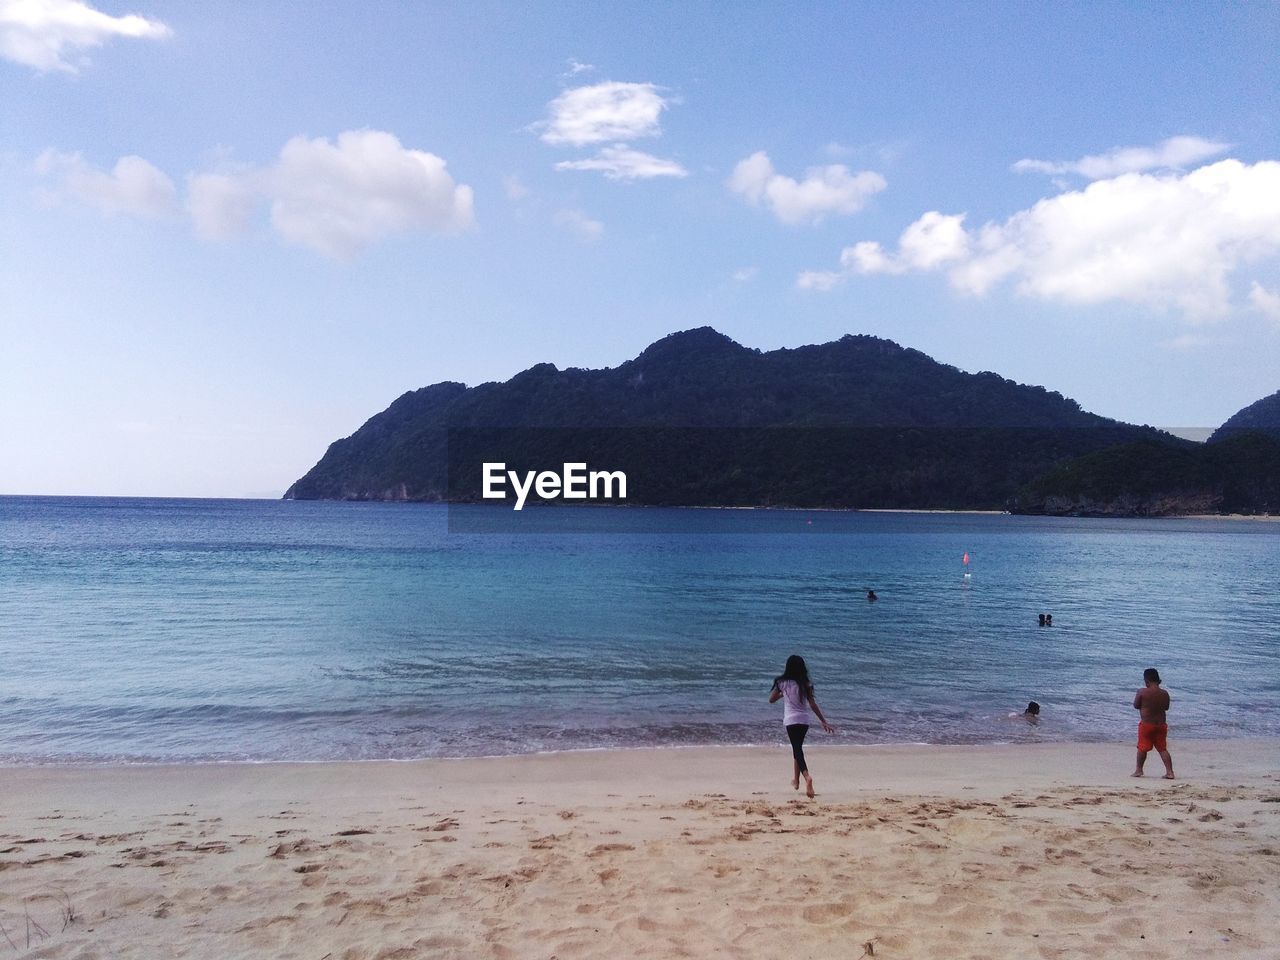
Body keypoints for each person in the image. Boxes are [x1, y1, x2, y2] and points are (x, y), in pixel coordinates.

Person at [768, 655, 835, 798]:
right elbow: (812, 704)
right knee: (797, 748)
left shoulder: (781, 682)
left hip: (791, 720)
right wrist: (823, 720)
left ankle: (807, 777)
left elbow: (771, 700)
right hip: (804, 721)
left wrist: (782, 694)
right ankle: (796, 781)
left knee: (797, 749)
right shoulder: (806, 684)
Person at [1132, 667, 1174, 779]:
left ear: (1146, 681)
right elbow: (1166, 707)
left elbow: (1136, 705)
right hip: (1161, 725)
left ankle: (1139, 770)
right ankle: (1170, 772)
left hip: (1147, 725)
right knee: (1162, 748)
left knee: (1142, 748)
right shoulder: (1165, 693)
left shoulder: (1142, 692)